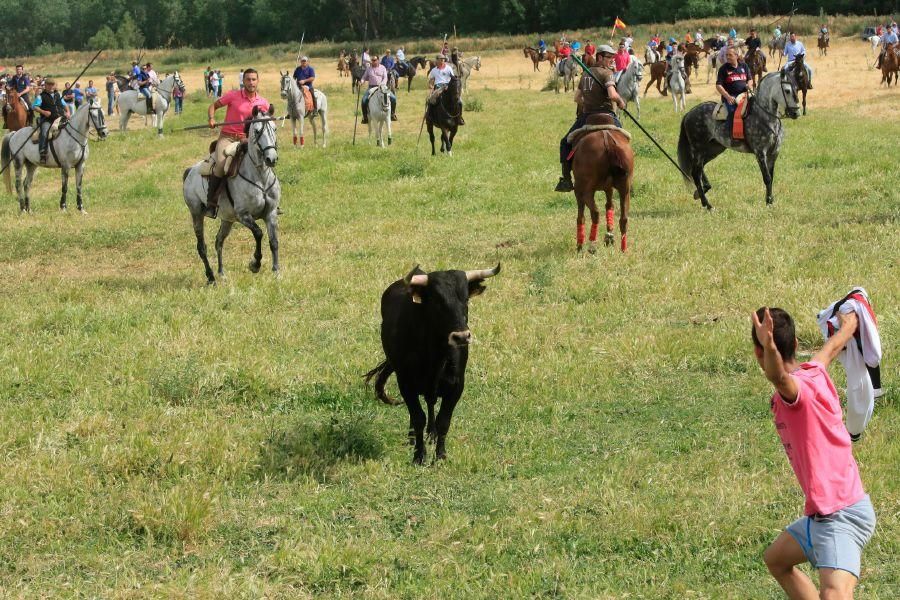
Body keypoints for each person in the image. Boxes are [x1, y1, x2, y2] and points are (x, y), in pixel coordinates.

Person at [751, 307, 876, 600]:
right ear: (796, 345)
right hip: (821, 516)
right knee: (777, 560)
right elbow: (831, 349)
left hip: (840, 515)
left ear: (758, 354)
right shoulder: (814, 372)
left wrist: (768, 346)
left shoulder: (795, 393)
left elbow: (779, 378)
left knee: (833, 594)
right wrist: (849, 325)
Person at [555, 45, 626, 192]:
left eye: (613, 58)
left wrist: (588, 102)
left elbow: (577, 98)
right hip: (608, 115)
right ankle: (625, 175)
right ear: (600, 57)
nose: (612, 61)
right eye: (609, 58)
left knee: (565, 142)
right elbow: (612, 95)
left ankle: (566, 179)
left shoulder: (585, 74)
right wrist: (620, 102)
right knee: (624, 140)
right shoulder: (607, 73)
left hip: (588, 117)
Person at [205, 68, 271, 219]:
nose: (251, 82)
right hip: (227, 138)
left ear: (258, 81)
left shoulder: (263, 102)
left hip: (247, 139)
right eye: (248, 79)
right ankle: (211, 203)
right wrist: (211, 118)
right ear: (243, 81)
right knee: (221, 166)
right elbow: (213, 106)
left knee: (264, 163)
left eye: (254, 79)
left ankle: (270, 200)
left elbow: (267, 121)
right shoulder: (233, 96)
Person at [715, 47, 753, 137]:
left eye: (730, 55)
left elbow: (750, 79)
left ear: (736, 56)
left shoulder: (744, 66)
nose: (727, 57)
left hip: (745, 95)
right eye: (726, 55)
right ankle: (727, 134)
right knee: (733, 112)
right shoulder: (723, 69)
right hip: (731, 96)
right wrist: (727, 97)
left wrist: (749, 85)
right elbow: (718, 85)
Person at [33, 78, 69, 165]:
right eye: (49, 85)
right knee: (45, 132)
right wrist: (43, 112)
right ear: (45, 86)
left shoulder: (58, 95)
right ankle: (43, 153)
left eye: (52, 85)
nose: (51, 86)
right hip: (47, 120)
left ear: (55, 86)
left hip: (61, 118)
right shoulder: (41, 96)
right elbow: (35, 106)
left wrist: (68, 112)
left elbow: (65, 105)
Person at [427, 53, 463, 124]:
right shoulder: (434, 70)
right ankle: (429, 116)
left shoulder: (448, 68)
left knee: (460, 102)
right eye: (441, 59)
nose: (443, 61)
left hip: (448, 87)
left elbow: (453, 78)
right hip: (438, 87)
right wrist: (431, 86)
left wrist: (452, 85)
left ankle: (459, 118)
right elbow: (431, 81)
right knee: (431, 100)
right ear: (437, 61)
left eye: (443, 59)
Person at [361, 54, 397, 124]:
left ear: (378, 61)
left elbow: (385, 78)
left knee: (393, 98)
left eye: (374, 60)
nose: (373, 62)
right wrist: (361, 82)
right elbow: (364, 77)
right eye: (372, 60)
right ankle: (365, 117)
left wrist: (382, 84)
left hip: (382, 87)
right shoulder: (369, 69)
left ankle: (392, 114)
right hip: (372, 87)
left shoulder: (383, 68)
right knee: (364, 100)